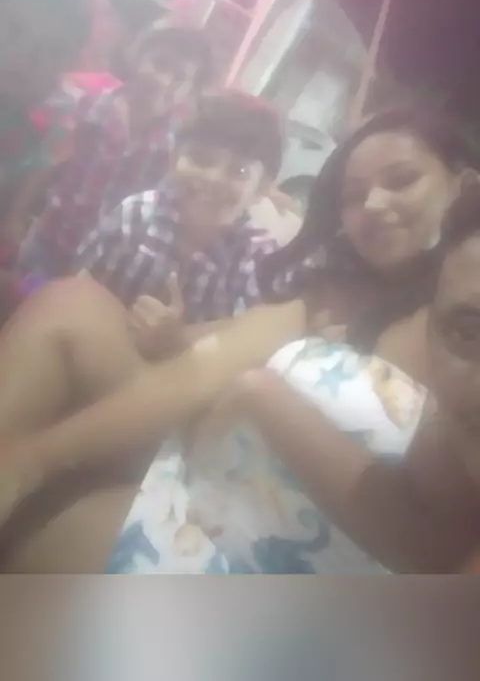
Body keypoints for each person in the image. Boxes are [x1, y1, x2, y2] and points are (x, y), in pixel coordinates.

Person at [0, 103, 477, 571]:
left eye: (402, 180)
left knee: (44, 507)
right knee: (73, 304)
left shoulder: (458, 342)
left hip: (264, 550)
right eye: (353, 195)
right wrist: (178, 336)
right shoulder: (339, 292)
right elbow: (208, 361)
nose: (373, 204)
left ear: (465, 184)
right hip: (201, 467)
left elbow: (436, 547)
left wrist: (262, 397)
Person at [75, 94, 282, 341]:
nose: (214, 178)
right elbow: (77, 295)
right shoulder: (135, 216)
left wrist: (178, 340)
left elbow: (253, 346)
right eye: (201, 159)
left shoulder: (259, 259)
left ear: (260, 189)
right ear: (173, 160)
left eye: (239, 170)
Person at [18, 23, 213, 282]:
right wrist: (15, 217)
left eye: (180, 78)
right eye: (160, 64)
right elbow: (47, 163)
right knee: (22, 299)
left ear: (190, 93)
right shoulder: (88, 106)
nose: (164, 81)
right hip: (49, 243)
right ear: (138, 57)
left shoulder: (174, 150)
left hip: (104, 268)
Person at [0, 0, 93, 315]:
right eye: (13, 30)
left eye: (51, 51)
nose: (25, 57)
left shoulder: (39, 127)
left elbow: (12, 225)